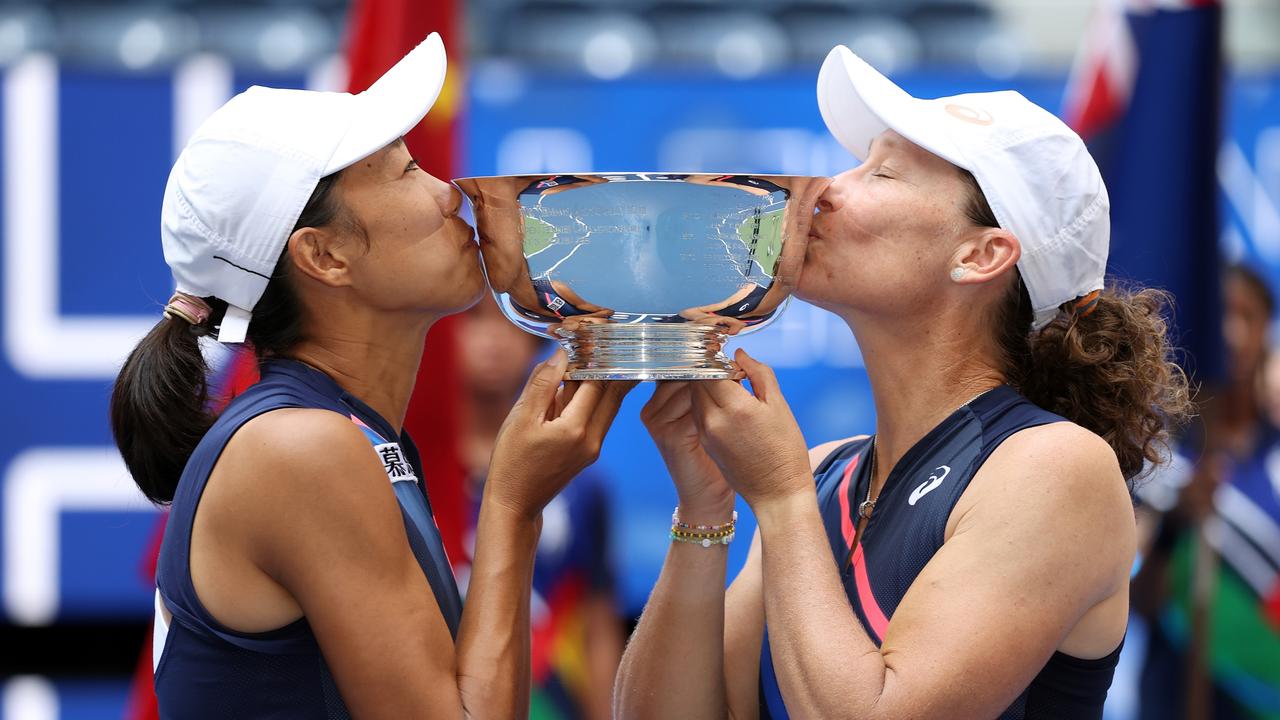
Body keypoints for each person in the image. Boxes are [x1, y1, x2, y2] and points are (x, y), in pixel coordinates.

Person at [614, 45, 1191, 718]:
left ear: (981, 254)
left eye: (882, 173)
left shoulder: (1058, 468)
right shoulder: (824, 474)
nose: (826, 188)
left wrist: (780, 498)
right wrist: (703, 512)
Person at [110, 34, 631, 718]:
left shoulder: (341, 434)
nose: (451, 193)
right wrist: (514, 502)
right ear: (324, 256)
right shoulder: (302, 449)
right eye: (407, 170)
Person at [457, 297, 624, 720]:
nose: (493, 339)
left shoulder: (581, 482)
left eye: (510, 324)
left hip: (552, 701)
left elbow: (597, 623)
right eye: (472, 320)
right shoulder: (406, 471)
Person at [1134, 264, 1280, 720]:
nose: (1233, 333)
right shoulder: (1156, 455)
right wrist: (1175, 523)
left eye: (1247, 316)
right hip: (1174, 697)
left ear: (1266, 328)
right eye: (1221, 314)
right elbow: (1136, 602)